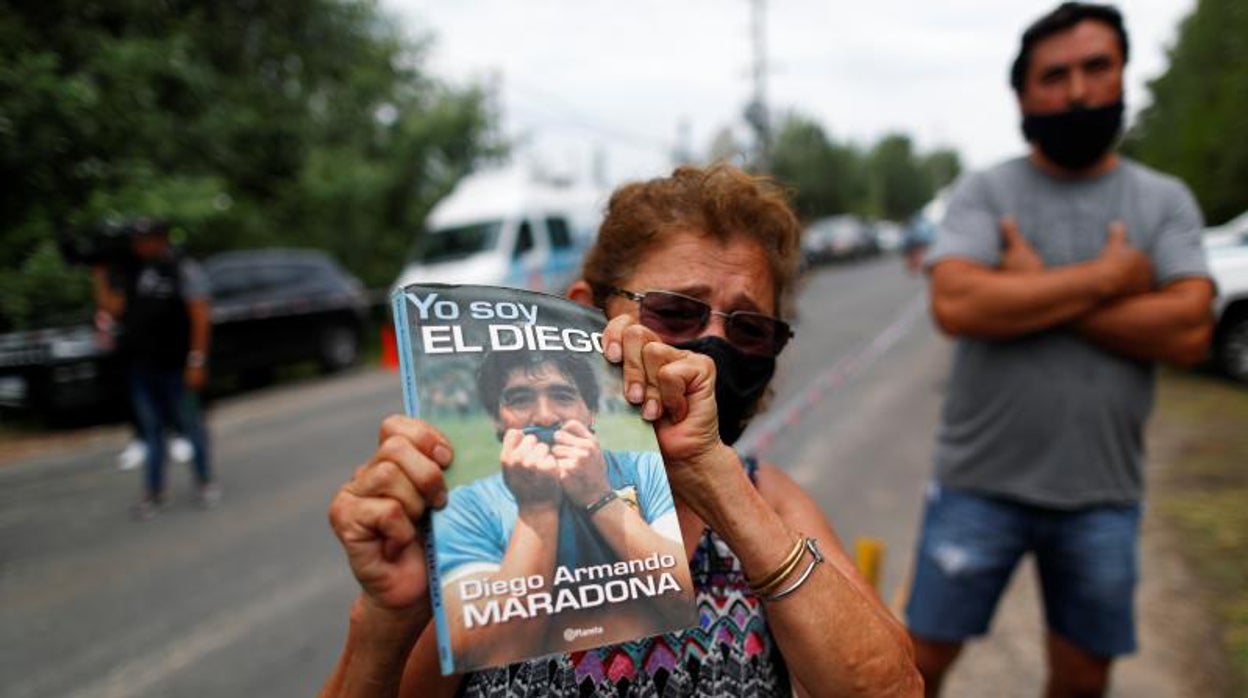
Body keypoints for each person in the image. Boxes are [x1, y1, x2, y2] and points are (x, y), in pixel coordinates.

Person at [321, 163, 923, 697]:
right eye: (675, 313)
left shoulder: (768, 504)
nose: (711, 351)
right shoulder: (474, 515)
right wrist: (383, 621)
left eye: (748, 330)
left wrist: (715, 480)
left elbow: (889, 689)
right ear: (589, 312)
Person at [904, 4, 1215, 697]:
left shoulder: (1162, 200)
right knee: (915, 668)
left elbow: (1190, 330)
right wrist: (1111, 278)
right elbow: (957, 304)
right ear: (1023, 94)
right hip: (978, 483)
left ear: (1123, 74)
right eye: (1055, 75)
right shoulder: (987, 191)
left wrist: (1031, 289)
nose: (1077, 91)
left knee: (1080, 680)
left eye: (1096, 67)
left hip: (1102, 493)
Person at [434, 350, 688, 666]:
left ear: (592, 411)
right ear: (497, 419)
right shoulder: (465, 507)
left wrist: (599, 496)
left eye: (563, 396)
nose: (544, 417)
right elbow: (493, 651)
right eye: (520, 399)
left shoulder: (646, 469)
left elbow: (683, 602)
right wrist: (536, 509)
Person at [92, 218, 219, 519]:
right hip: (142, 367)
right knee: (151, 431)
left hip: (177, 366)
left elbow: (201, 316)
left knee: (191, 424)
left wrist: (197, 360)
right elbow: (113, 309)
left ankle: (204, 481)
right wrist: (99, 274)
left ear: (161, 239)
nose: (139, 244)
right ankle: (154, 490)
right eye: (136, 239)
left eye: (145, 238)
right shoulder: (130, 270)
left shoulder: (182, 268)